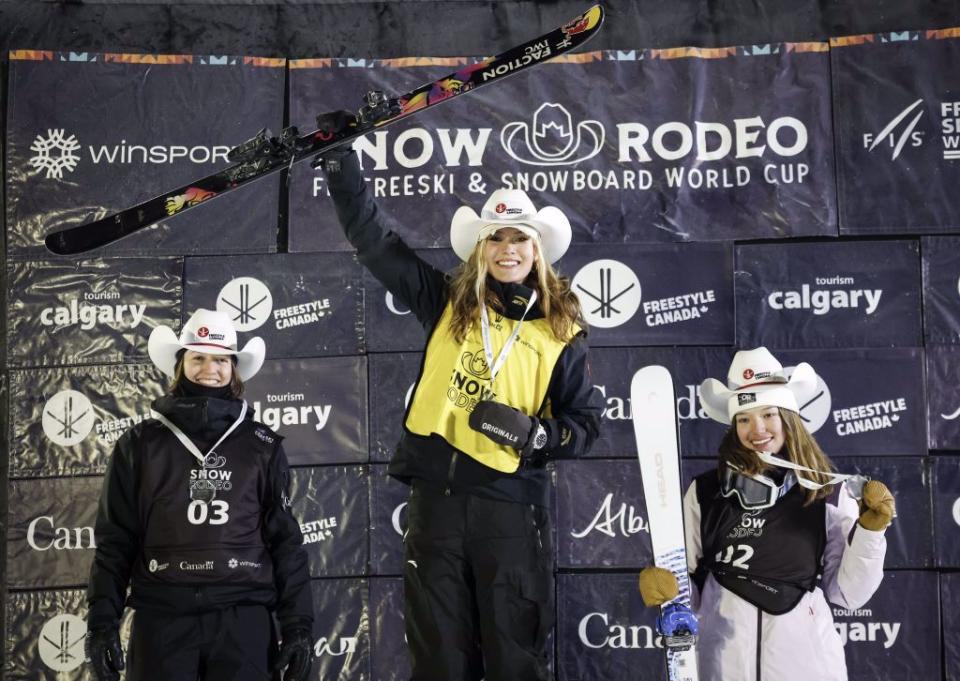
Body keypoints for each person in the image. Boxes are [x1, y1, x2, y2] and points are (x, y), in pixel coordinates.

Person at [319, 112, 602, 681]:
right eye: (495, 237)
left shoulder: (560, 330)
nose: (507, 248)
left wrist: (541, 435)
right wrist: (340, 159)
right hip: (438, 505)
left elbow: (587, 423)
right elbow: (375, 241)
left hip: (511, 505)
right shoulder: (446, 302)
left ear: (537, 249)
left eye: (519, 237)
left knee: (514, 658)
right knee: (440, 659)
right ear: (480, 248)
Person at [637, 347, 895, 681]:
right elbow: (687, 587)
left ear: (789, 418)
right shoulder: (704, 492)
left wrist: (871, 534)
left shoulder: (825, 492)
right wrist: (669, 591)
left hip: (807, 667)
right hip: (724, 664)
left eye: (769, 415)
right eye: (744, 419)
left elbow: (848, 593)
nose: (756, 429)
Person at [84, 309, 314, 681]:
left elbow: (285, 542)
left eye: (221, 359)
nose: (210, 368)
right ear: (180, 365)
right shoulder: (139, 444)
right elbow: (115, 540)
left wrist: (298, 626)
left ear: (234, 369)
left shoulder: (263, 446)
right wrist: (101, 624)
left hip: (243, 620)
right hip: (162, 618)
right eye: (198, 357)